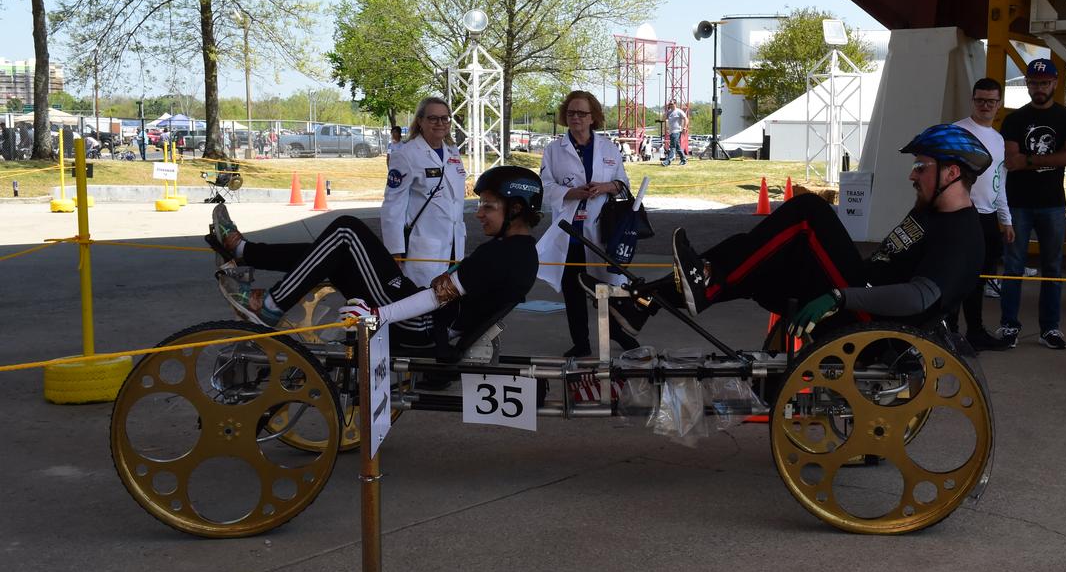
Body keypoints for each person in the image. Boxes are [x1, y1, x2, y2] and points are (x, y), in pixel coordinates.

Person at [606, 123, 990, 341]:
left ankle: (696, 287)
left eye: (921, 166)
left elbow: (918, 297)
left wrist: (840, 297)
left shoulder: (962, 234)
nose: (912, 174)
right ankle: (644, 301)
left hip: (873, 322)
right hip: (861, 298)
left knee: (809, 212)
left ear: (952, 173)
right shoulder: (929, 212)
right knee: (758, 256)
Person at [207, 166, 542, 353]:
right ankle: (244, 251)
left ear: (515, 209)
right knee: (336, 248)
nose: (479, 213)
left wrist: (377, 316)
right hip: (428, 318)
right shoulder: (521, 252)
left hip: (420, 325)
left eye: (489, 206)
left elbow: (434, 296)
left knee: (346, 231)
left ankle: (270, 304)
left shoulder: (503, 255)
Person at [536, 89, 630, 357]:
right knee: (573, 290)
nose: (575, 117)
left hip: (600, 230)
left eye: (581, 113)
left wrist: (606, 186)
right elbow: (545, 185)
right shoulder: (554, 150)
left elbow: (624, 185)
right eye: (571, 112)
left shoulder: (609, 148)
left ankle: (619, 334)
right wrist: (571, 193)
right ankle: (581, 342)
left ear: (593, 118)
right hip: (569, 232)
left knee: (607, 288)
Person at [997, 59, 1066, 350]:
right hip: (1018, 203)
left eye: (1044, 83)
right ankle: (1009, 325)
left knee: (1053, 267)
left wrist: (1030, 160)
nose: (1039, 88)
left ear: (1055, 84)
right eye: (1034, 83)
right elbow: (1011, 160)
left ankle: (1050, 328)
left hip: (1053, 204)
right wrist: (1038, 160)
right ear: (1027, 84)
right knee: (1013, 266)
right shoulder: (1014, 119)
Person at [953, 78, 1015, 350]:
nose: (985, 106)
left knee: (978, 277)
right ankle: (951, 332)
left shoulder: (999, 140)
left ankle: (975, 331)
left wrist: (1006, 219)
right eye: (980, 101)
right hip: (961, 213)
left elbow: (998, 183)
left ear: (999, 105)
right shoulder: (957, 131)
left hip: (988, 216)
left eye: (991, 101)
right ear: (973, 101)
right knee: (955, 275)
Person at [381, 97, 467, 291]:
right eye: (433, 118)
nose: (440, 124)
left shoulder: (452, 152)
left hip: (455, 243)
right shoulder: (406, 154)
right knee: (421, 300)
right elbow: (392, 205)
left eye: (445, 118)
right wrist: (395, 251)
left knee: (450, 302)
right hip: (424, 247)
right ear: (419, 121)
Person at [661, 101, 687, 166]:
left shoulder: (679, 111)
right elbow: (663, 119)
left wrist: (684, 128)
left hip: (677, 131)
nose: (670, 105)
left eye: (671, 104)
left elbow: (686, 119)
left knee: (672, 146)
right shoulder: (669, 112)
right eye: (669, 104)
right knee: (677, 147)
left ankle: (668, 161)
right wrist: (666, 111)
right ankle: (683, 159)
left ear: (675, 104)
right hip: (671, 132)